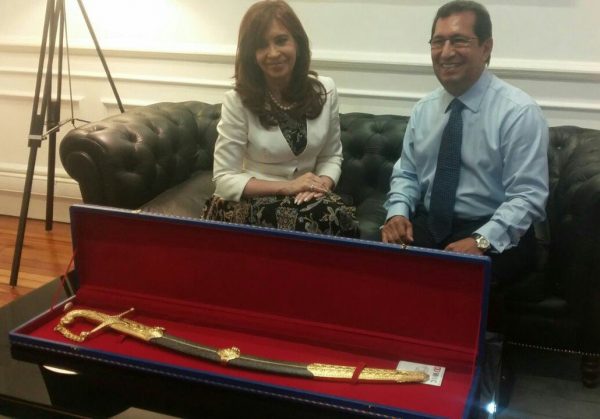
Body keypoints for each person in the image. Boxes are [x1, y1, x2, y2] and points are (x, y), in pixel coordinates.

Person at [382, 1, 549, 326]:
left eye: (459, 41)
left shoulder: (518, 112)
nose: (446, 52)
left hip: (496, 228)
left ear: (486, 48)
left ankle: (474, 356)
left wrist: (481, 241)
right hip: (433, 222)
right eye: (438, 42)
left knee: (458, 281)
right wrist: (398, 213)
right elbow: (407, 174)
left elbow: (527, 196)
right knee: (381, 264)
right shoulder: (424, 110)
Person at [203, 0, 358, 238]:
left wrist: (320, 186)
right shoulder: (237, 100)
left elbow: (331, 156)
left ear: (297, 42)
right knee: (319, 219)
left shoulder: (325, 90)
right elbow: (225, 178)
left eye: (281, 40)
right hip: (248, 202)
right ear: (251, 54)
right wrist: (288, 187)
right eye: (261, 45)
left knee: (330, 215)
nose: (273, 53)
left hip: (306, 199)